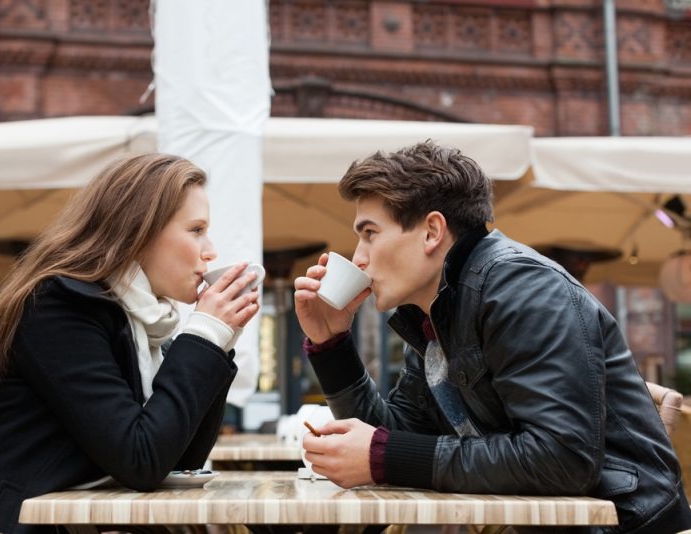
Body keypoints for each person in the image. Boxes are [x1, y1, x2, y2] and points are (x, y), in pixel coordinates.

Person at [295, 140, 691, 533]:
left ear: (432, 231)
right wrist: (333, 346)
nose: (358, 256)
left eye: (370, 234)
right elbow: (394, 439)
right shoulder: (435, 314)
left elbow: (563, 459)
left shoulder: (524, 289)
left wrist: (384, 454)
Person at [0, 153, 261, 533]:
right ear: (138, 231)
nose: (210, 250)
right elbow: (141, 459)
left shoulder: (137, 321)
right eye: (196, 230)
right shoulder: (60, 305)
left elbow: (177, 459)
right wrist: (204, 337)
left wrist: (216, 345)